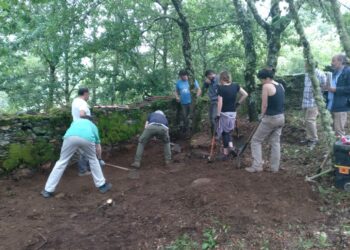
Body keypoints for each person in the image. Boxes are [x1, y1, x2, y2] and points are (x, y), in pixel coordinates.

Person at [41, 116, 111, 198]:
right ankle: (102, 185)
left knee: (61, 161)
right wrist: (99, 158)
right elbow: (98, 147)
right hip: (87, 138)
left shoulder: (75, 122)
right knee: (93, 160)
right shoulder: (93, 125)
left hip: (69, 137)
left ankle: (47, 190)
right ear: (92, 121)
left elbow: (77, 140)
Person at [246, 68, 285, 173]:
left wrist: (261, 115)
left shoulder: (266, 86)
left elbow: (264, 105)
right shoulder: (280, 85)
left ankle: (257, 166)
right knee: (275, 142)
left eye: (262, 79)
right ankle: (274, 168)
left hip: (270, 118)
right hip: (281, 117)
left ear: (267, 78)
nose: (261, 82)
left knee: (255, 140)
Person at [216, 71, 248, 160]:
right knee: (228, 131)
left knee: (224, 132)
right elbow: (245, 94)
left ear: (222, 79)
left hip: (224, 113)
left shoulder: (220, 88)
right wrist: (238, 103)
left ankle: (229, 150)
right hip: (233, 112)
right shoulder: (235, 85)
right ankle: (228, 150)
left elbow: (220, 102)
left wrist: (218, 115)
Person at [301, 63, 327, 148]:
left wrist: (318, 95)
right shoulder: (307, 74)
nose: (304, 66)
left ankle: (314, 139)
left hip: (314, 101)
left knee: (310, 120)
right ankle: (309, 137)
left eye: (305, 65)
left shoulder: (320, 74)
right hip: (306, 101)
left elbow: (325, 86)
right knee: (306, 120)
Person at [326, 54, 350, 137]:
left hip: (341, 105)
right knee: (333, 131)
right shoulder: (335, 73)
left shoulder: (348, 71)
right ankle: (334, 148)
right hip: (331, 105)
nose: (331, 63)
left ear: (341, 61)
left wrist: (335, 89)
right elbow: (332, 86)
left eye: (333, 61)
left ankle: (342, 149)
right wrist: (326, 88)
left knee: (339, 131)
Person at [71, 87, 92, 176]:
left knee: (83, 149)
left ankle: (86, 167)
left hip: (76, 127)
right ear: (85, 93)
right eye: (88, 94)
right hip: (83, 128)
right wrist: (91, 118)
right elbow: (82, 114)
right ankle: (83, 170)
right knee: (85, 149)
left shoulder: (75, 101)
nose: (89, 96)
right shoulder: (83, 103)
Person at [175, 70, 201, 135]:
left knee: (191, 116)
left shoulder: (192, 81)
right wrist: (177, 97)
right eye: (181, 77)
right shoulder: (178, 82)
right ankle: (186, 130)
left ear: (187, 75)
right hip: (183, 102)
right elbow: (176, 91)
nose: (183, 78)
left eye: (184, 76)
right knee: (184, 116)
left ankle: (193, 131)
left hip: (191, 102)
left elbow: (199, 89)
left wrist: (197, 97)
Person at [203, 69, 219, 135]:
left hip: (217, 101)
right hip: (212, 101)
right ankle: (214, 132)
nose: (209, 77)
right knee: (211, 118)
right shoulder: (209, 80)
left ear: (212, 74)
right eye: (207, 77)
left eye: (209, 76)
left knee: (214, 118)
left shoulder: (218, 79)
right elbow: (204, 88)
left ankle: (216, 134)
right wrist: (206, 83)